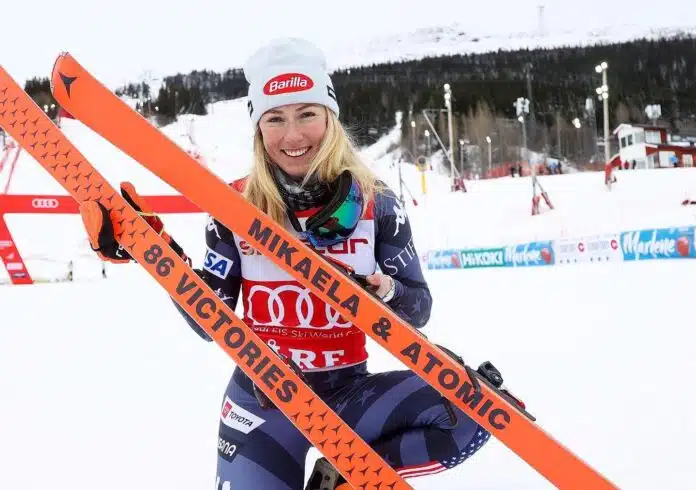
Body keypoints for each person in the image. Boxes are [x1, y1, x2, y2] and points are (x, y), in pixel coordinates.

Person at [78, 38, 498, 490]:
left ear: (330, 118)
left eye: (307, 114)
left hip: (346, 394)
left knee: (474, 411)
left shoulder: (378, 204)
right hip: (261, 401)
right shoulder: (233, 205)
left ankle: (339, 480)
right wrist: (154, 252)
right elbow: (210, 319)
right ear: (258, 129)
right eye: (275, 118)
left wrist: (387, 293)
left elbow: (419, 309)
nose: (293, 136)